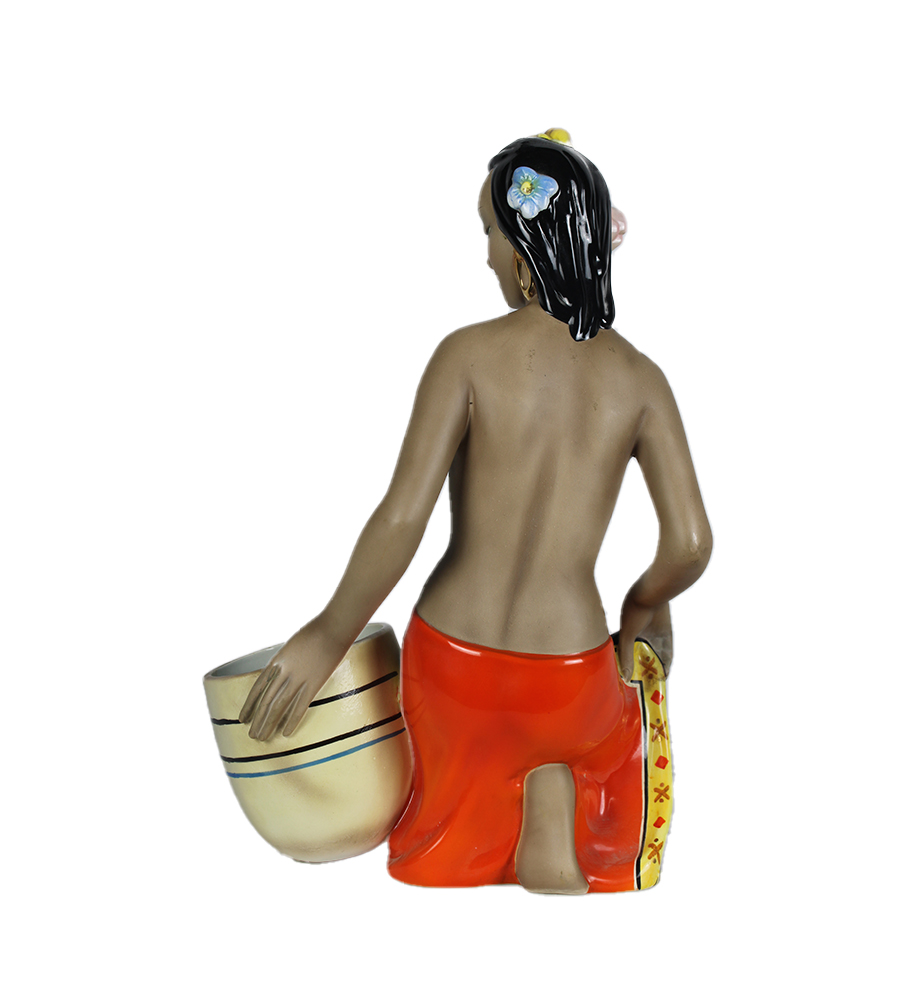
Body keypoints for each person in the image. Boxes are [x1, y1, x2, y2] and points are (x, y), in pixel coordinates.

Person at [239, 132, 712, 894]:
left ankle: (476, 823)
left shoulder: (463, 355)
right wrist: (644, 602)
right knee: (609, 721)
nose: (486, 255)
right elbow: (690, 543)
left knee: (441, 809)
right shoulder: (643, 381)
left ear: (525, 256)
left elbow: (402, 517)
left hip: (452, 670)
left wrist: (329, 634)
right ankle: (553, 786)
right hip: (567, 679)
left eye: (490, 232)